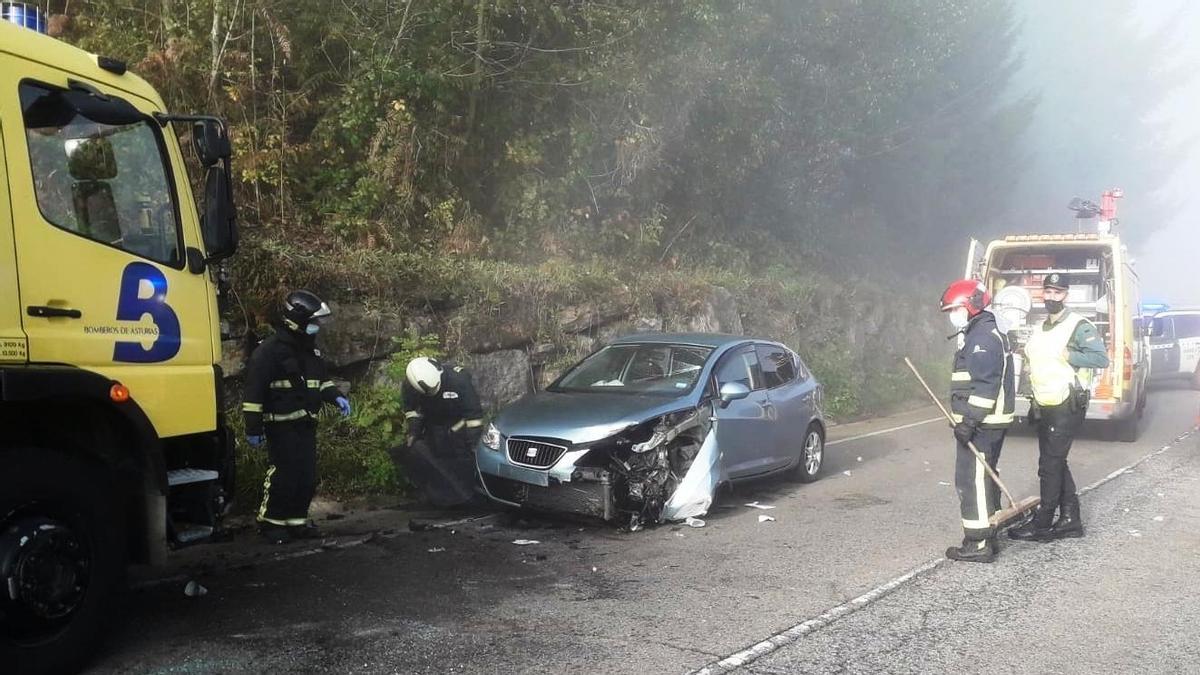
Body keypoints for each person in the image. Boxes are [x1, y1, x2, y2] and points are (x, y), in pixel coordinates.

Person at [243, 290, 351, 544]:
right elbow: (254, 394)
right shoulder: (268, 353)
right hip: (280, 426)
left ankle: (296, 521)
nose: (317, 327)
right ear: (297, 320)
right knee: (283, 475)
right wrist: (253, 428)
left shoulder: (310, 353)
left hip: (305, 424)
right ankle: (271, 523)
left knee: (305, 476)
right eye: (314, 322)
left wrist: (335, 396)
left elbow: (320, 382)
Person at [1010, 273, 1109, 542]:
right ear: (1043, 293)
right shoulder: (1042, 328)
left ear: (1066, 295)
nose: (1052, 297)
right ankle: (1070, 520)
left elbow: (1101, 358)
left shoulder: (1079, 326)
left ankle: (1043, 524)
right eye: (1048, 292)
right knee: (1055, 461)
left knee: (1049, 465)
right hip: (1045, 403)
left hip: (1067, 404)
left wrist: (1069, 355)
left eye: (1058, 292)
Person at [941, 279, 1016, 563]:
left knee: (971, 480)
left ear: (970, 306)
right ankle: (987, 533)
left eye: (954, 308)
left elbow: (985, 387)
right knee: (982, 478)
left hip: (983, 423)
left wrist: (969, 422)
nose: (952, 315)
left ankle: (978, 543)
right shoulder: (983, 331)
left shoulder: (982, 338)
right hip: (987, 421)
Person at [394, 357, 486, 508]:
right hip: (434, 426)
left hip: (458, 428)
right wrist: (413, 432)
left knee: (463, 462)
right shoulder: (411, 386)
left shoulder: (459, 380)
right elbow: (412, 411)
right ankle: (439, 495)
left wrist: (473, 443)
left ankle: (470, 496)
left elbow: (474, 416)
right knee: (425, 454)